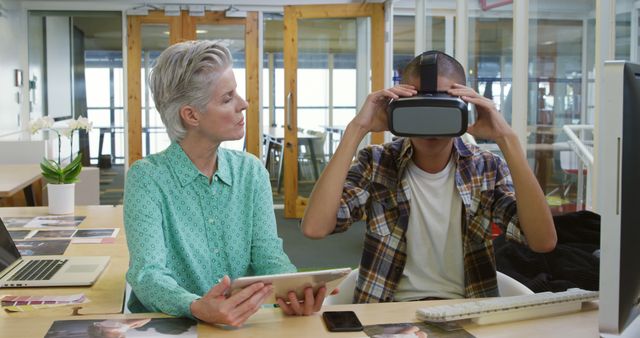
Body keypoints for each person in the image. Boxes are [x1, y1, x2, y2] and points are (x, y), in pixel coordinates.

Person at [301, 51, 557, 303]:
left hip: (468, 311)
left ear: (463, 104)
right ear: (398, 103)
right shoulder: (377, 163)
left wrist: (506, 138)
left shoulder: (486, 167)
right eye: (418, 103)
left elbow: (542, 241)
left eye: (442, 103)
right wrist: (357, 128)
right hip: (388, 314)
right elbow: (315, 227)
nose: (430, 117)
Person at [124, 40, 328, 327]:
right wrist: (195, 306)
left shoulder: (251, 171)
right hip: (173, 328)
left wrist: (293, 291)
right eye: (227, 98)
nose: (243, 104)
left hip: (244, 326)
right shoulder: (147, 178)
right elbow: (147, 274)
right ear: (191, 115)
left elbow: (268, 255)